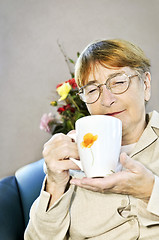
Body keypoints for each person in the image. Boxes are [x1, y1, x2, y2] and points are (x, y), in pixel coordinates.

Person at [24, 39, 159, 240]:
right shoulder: (73, 159)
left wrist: (150, 191)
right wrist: (55, 183)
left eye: (119, 82)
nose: (107, 100)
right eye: (93, 90)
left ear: (146, 84)